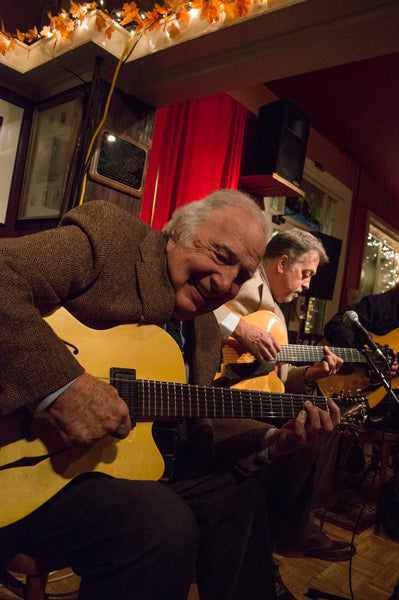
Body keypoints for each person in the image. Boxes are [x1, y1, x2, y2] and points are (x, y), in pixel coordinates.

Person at [0, 190, 340, 600]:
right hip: (24, 469)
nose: (224, 283)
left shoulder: (205, 328)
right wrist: (62, 387)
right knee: (163, 525)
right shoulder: (110, 239)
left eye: (242, 276)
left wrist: (273, 441)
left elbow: (196, 415)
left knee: (240, 492)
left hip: (118, 474)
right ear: (177, 230)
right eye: (221, 255)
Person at [214, 229, 354, 570]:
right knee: (309, 431)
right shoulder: (247, 284)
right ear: (282, 263)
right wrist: (241, 330)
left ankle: (289, 529)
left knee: (325, 423)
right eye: (304, 274)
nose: (307, 285)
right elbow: (199, 308)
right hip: (216, 391)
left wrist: (313, 374)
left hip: (253, 395)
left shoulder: (278, 312)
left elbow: (279, 380)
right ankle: (282, 533)